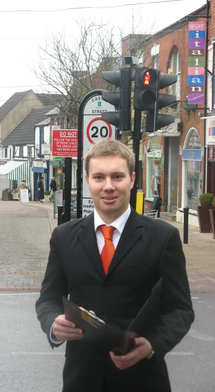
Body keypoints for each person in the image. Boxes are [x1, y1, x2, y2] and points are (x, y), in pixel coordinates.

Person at [35, 139, 194, 392]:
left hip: (142, 379)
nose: (108, 186)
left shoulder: (163, 238)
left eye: (117, 177)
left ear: (132, 179)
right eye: (99, 177)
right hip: (82, 379)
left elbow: (181, 309)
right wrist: (53, 323)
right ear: (87, 180)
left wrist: (153, 344)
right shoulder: (63, 237)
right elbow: (48, 298)